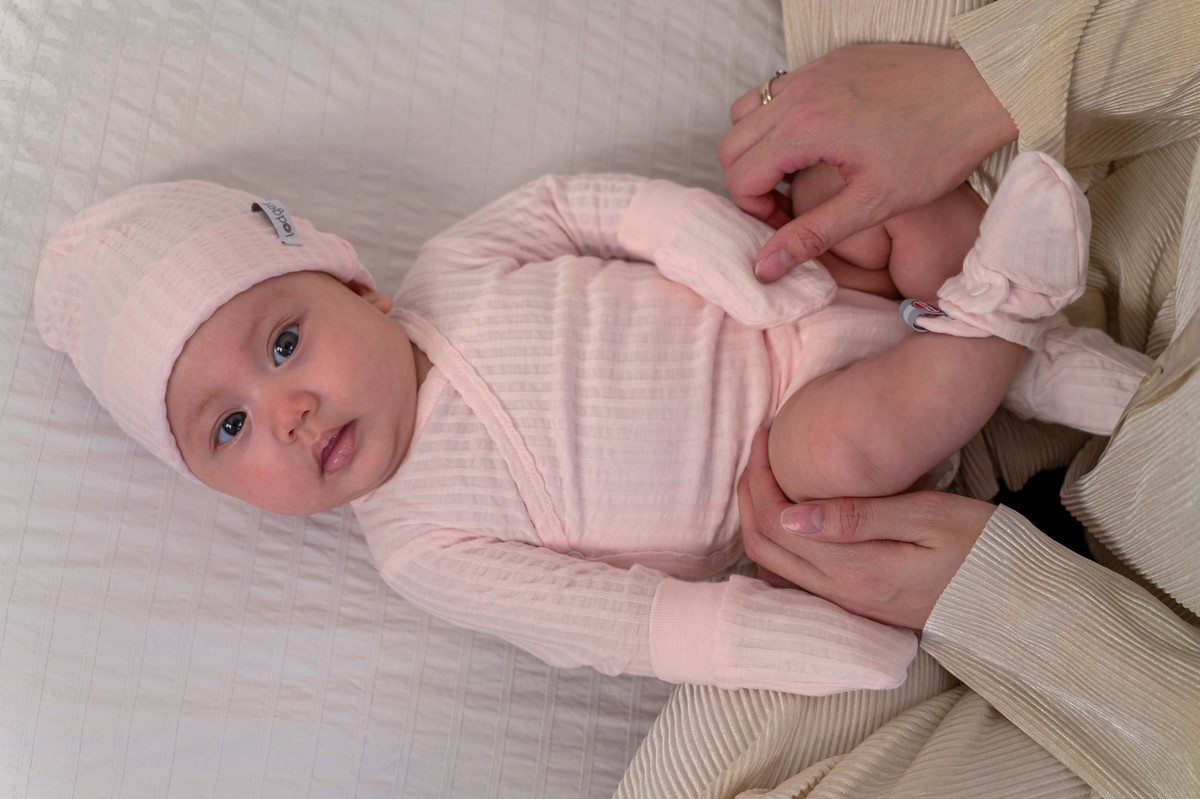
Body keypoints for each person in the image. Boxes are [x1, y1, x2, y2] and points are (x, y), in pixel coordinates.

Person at [33, 151, 1142, 698]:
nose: (287, 413)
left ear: (356, 286)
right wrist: (758, 641)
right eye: (227, 429)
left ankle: (1022, 354)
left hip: (809, 296)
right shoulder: (421, 543)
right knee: (839, 449)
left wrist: (689, 231)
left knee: (860, 193)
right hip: (789, 454)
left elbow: (573, 204)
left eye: (284, 344)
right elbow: (609, 619)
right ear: (220, 490)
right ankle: (1010, 328)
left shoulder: (455, 265)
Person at [616, 2, 1200, 797]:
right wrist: (978, 91)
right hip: (932, 337)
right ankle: (1007, 341)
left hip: (1101, 576)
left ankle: (1001, 333)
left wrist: (1006, 604)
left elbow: (581, 212)